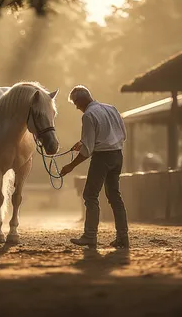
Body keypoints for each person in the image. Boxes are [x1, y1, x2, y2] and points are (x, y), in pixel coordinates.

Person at [60, 85, 129, 248]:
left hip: (102, 157)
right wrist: (86, 142)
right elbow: (122, 135)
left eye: (76, 103)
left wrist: (71, 166)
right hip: (117, 155)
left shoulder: (88, 115)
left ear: (81, 100)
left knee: (90, 195)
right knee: (114, 196)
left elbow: (88, 150)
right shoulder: (111, 108)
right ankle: (123, 237)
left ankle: (90, 236)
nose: (77, 107)